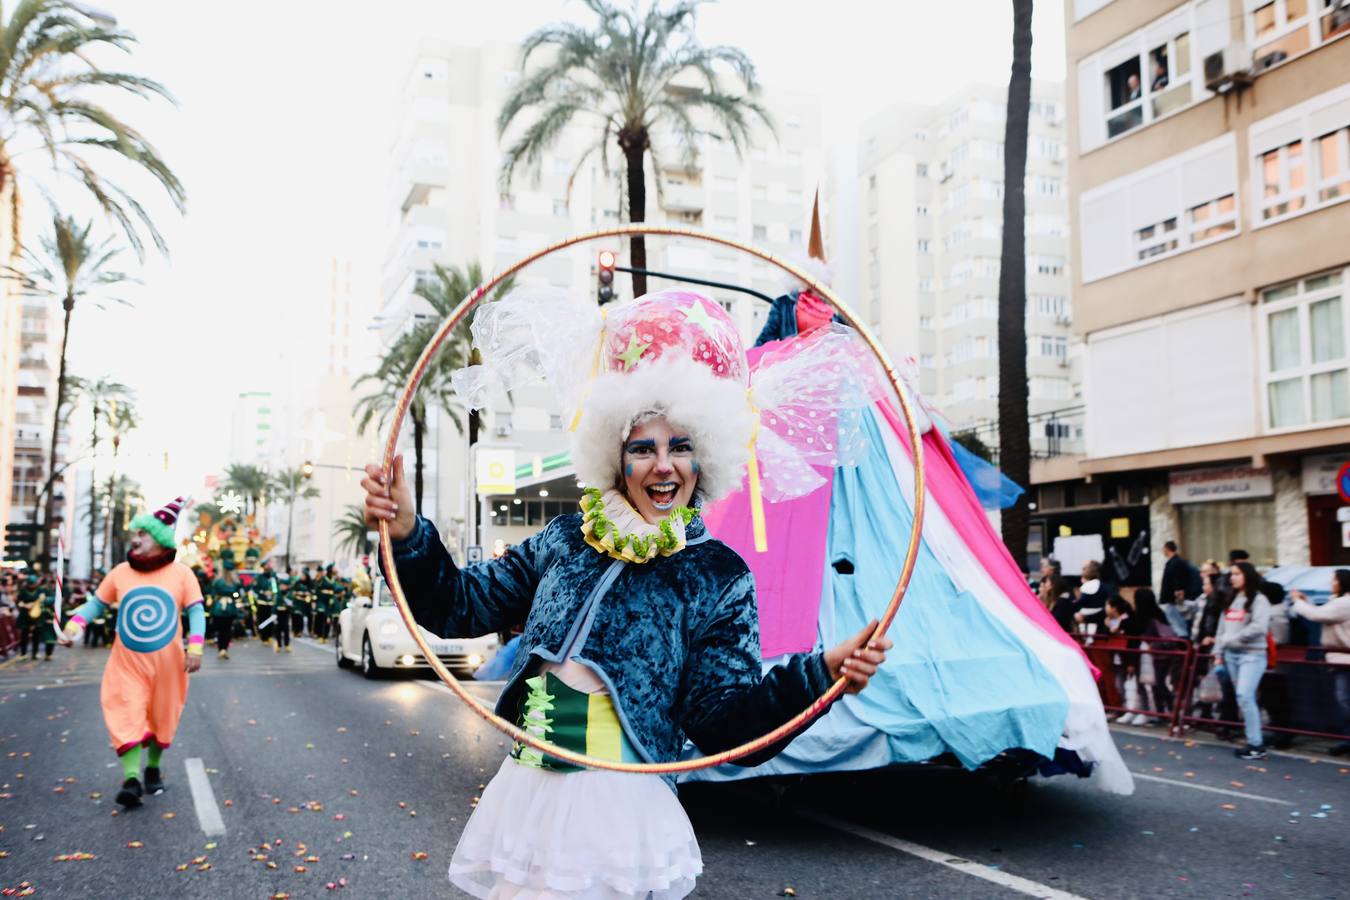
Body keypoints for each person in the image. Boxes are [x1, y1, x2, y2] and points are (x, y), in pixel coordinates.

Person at [364, 289, 892, 899]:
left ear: (706, 457)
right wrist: (405, 533)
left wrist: (820, 675)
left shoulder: (717, 573)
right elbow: (456, 605)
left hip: (619, 812)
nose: (663, 466)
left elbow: (725, 725)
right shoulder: (566, 538)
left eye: (681, 447)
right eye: (643, 447)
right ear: (615, 454)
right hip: (526, 794)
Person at [61, 496, 205, 808]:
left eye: (143, 533)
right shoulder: (120, 573)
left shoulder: (182, 574)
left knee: (162, 717)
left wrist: (195, 646)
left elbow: (196, 612)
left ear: (161, 539)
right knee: (127, 712)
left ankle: (152, 768)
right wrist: (74, 626)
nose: (135, 538)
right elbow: (96, 603)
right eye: (135, 533)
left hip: (169, 665)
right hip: (127, 663)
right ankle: (131, 779)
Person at [1214, 561, 1272, 760]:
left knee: (1245, 696)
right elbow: (1221, 629)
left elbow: (1259, 627)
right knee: (1243, 698)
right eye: (1231, 574)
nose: (1233, 577)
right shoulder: (1231, 599)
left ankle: (1256, 744)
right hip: (1231, 655)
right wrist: (1218, 653)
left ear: (1247, 575)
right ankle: (1253, 741)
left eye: (1237, 573)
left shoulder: (1259, 600)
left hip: (1252, 654)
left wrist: (1233, 640)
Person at [1289, 569, 1350, 756]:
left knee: (1344, 699)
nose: (1331, 583)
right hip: (1340, 659)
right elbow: (1321, 613)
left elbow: (1318, 616)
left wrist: (1298, 602)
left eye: (1334, 580)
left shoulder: (1344, 602)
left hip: (1344, 659)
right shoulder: (1338, 602)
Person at [208, 558, 243, 659]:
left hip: (218, 607)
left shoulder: (217, 582)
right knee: (227, 630)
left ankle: (221, 649)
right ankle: (224, 649)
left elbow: (213, 594)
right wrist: (234, 595)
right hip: (230, 607)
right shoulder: (235, 583)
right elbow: (238, 595)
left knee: (220, 630)